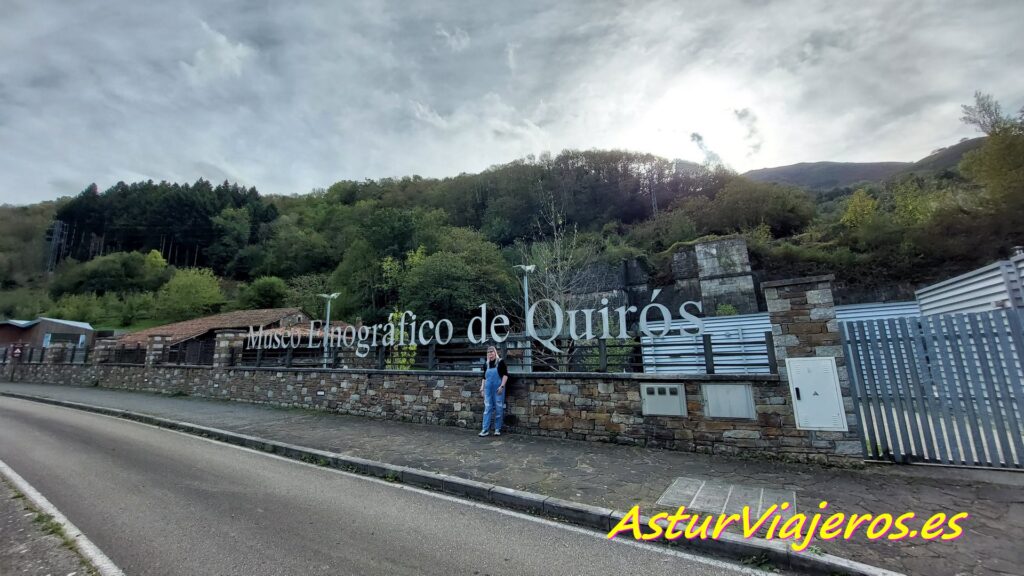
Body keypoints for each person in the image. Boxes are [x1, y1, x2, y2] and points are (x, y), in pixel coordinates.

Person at [479, 345, 508, 436]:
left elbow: (505, 375)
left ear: (495, 353)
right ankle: (485, 429)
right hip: (488, 389)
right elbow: (484, 377)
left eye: (492, 352)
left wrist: (502, 386)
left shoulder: (500, 362)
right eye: (488, 353)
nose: (490, 354)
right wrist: (482, 388)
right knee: (487, 409)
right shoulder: (486, 364)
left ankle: (497, 429)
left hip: (498, 389)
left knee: (499, 408)